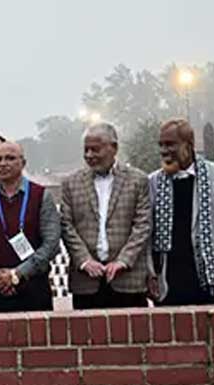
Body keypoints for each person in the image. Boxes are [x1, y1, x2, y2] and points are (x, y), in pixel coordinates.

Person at [147, 119, 214, 306]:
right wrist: (150, 274)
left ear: (188, 145)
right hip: (169, 280)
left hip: (209, 277)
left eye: (170, 144)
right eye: (161, 145)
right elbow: (148, 235)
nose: (164, 150)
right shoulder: (153, 181)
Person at [59, 123, 152, 309]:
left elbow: (143, 225)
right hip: (86, 281)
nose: (89, 155)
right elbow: (66, 225)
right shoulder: (71, 183)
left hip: (128, 279)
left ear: (114, 148)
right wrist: (84, 260)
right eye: (86, 150)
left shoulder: (138, 180)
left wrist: (123, 261)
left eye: (95, 149)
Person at [0, 140, 60, 313]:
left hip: (33, 288)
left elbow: (51, 244)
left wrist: (18, 274)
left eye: (10, 158)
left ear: (23, 163)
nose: (3, 164)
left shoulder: (41, 195)